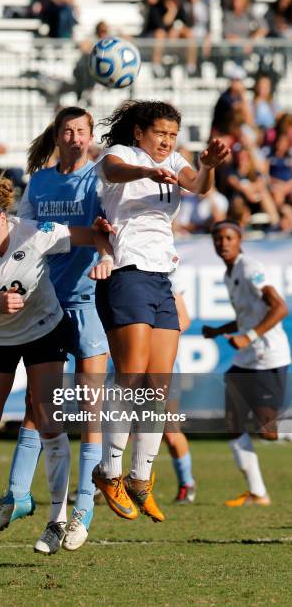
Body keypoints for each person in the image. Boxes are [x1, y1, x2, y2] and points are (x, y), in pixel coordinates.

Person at [0, 176, 112, 557]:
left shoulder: (38, 233)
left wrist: (105, 254)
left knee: (50, 424)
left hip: (43, 333)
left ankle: (56, 520)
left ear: (3, 218)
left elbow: (92, 235)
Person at [0, 107, 112, 554]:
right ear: (57, 135)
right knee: (38, 401)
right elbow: (25, 236)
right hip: (48, 305)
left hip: (89, 300)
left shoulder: (102, 176)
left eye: (82, 131)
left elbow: (113, 229)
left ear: (92, 136)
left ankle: (83, 509)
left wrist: (108, 254)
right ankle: (18, 494)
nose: (75, 138)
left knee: (90, 402)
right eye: (67, 131)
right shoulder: (39, 182)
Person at [92, 100, 229, 523]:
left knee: (157, 384)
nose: (166, 142)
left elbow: (199, 186)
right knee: (131, 375)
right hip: (127, 271)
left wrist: (208, 166)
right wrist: (148, 171)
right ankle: (109, 471)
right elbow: (112, 172)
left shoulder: (174, 159)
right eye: (159, 134)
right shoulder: (123, 157)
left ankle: (140, 478)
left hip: (161, 277)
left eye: (172, 135)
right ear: (139, 133)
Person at [202, 220, 291, 506]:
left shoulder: (250, 268)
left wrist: (248, 336)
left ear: (239, 240)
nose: (223, 243)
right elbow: (246, 317)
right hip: (247, 359)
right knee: (233, 421)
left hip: (268, 355)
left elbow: (280, 307)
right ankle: (257, 492)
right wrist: (219, 331)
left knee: (269, 430)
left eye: (228, 237)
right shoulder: (229, 274)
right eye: (218, 238)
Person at [163, 269, 196, 503]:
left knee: (170, 431)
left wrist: (151, 338)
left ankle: (187, 483)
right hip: (123, 361)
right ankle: (99, 485)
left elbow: (183, 319)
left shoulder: (167, 269)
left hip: (161, 363)